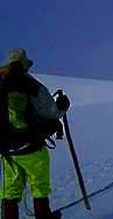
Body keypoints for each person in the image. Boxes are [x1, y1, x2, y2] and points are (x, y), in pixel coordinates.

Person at [0, 49, 69, 219]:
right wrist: (62, 106)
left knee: (10, 188)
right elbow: (50, 112)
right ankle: (43, 216)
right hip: (32, 147)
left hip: (7, 149)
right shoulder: (31, 85)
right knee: (39, 185)